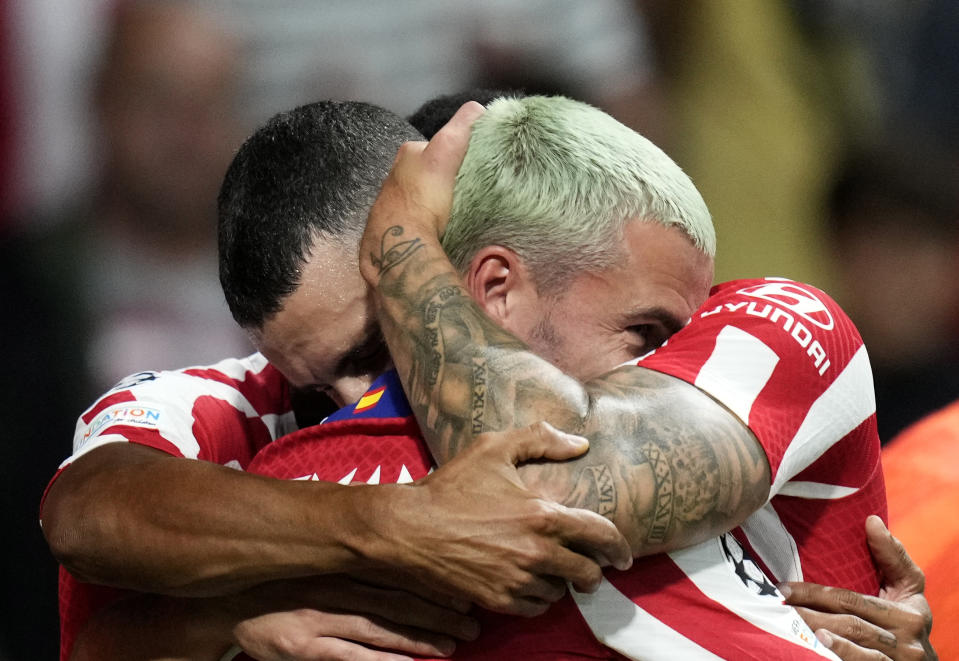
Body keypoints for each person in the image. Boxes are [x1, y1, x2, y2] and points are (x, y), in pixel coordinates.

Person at [46, 99, 934, 660]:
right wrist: (376, 536)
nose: (370, 394)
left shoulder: (740, 335)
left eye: (388, 333)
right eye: (327, 377)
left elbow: (546, 488)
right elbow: (84, 519)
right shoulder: (241, 418)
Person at [359, 96, 934, 658]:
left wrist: (402, 248)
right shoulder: (323, 460)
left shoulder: (772, 331)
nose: (670, 366)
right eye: (646, 333)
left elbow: (538, 496)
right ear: (496, 291)